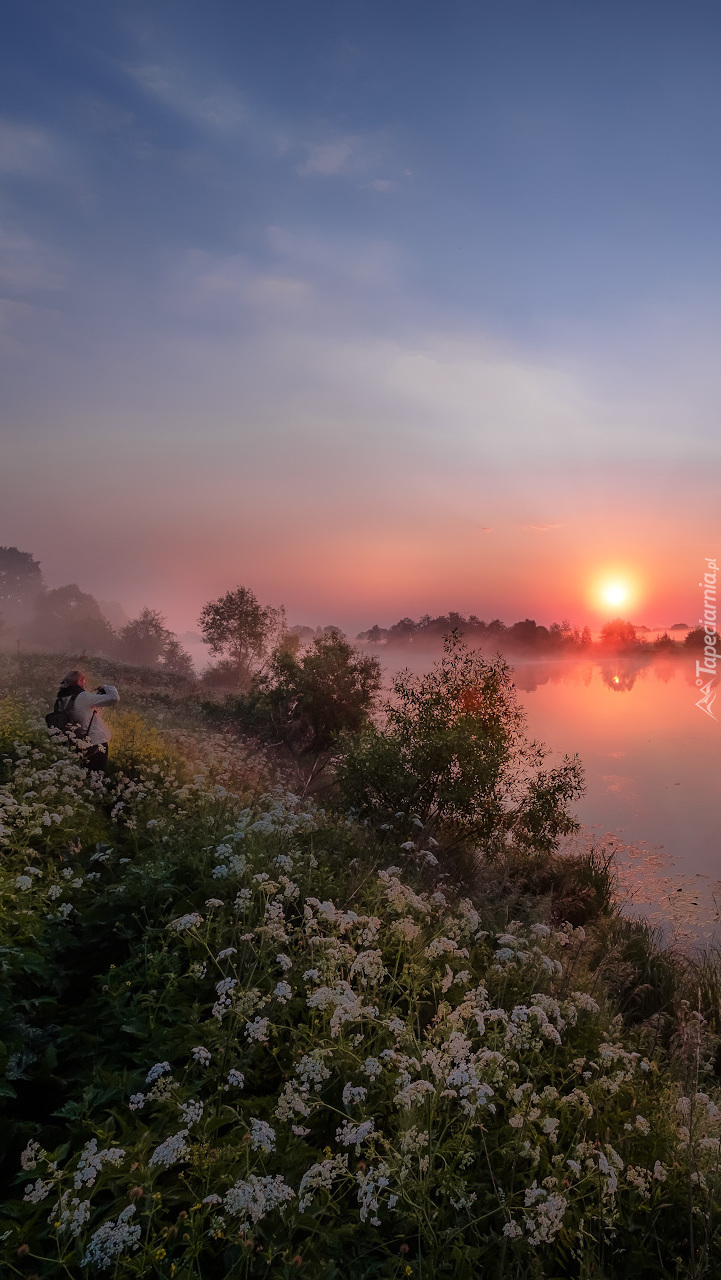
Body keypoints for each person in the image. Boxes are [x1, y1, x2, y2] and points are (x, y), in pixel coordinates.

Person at [52, 669, 120, 773]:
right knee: (96, 778)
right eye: (84, 681)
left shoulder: (61, 698)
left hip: (75, 744)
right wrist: (106, 687)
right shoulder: (83, 696)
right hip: (96, 744)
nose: (85, 684)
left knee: (82, 777)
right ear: (79, 681)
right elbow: (114, 698)